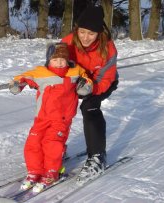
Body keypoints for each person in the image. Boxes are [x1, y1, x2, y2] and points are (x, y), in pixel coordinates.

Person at [9, 43, 93, 192]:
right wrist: (17, 83)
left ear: (68, 61)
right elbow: (24, 77)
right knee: (33, 143)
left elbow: (87, 80)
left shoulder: (75, 71)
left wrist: (85, 85)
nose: (60, 63)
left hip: (62, 119)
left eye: (63, 60)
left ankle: (51, 172)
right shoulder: (41, 72)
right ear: (49, 60)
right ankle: (34, 171)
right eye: (55, 60)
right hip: (42, 117)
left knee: (52, 144)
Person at [61, 5, 118, 182]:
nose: (86, 37)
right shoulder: (67, 42)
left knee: (89, 106)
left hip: (101, 83)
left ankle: (97, 157)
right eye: (83, 32)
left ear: (99, 33)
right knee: (59, 104)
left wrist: (91, 89)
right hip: (75, 80)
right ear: (77, 29)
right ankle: (55, 147)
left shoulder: (108, 49)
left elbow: (106, 79)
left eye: (91, 34)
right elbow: (56, 66)